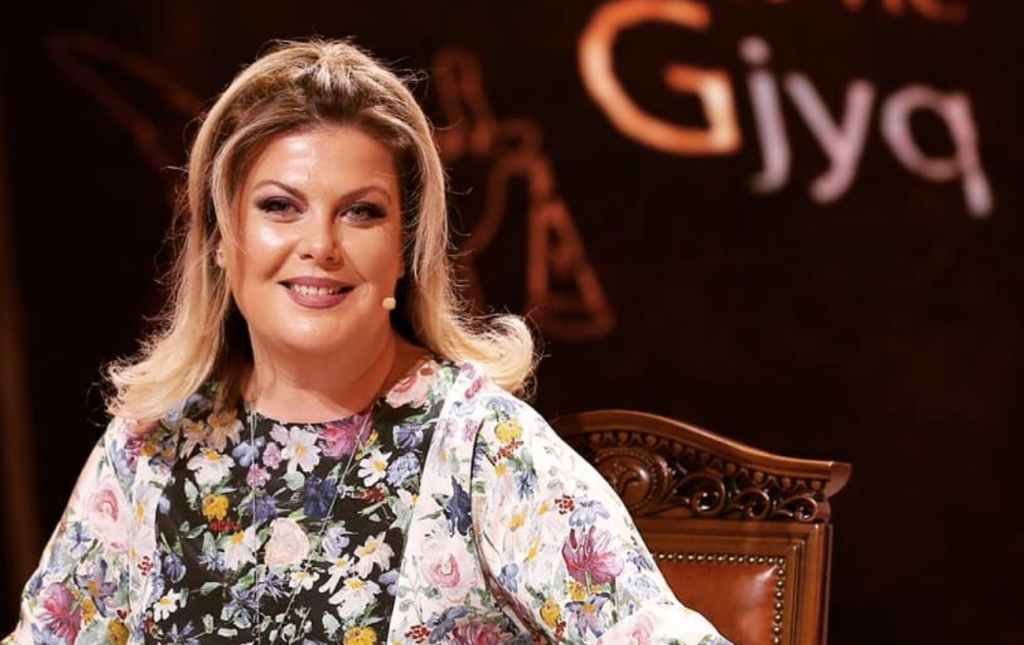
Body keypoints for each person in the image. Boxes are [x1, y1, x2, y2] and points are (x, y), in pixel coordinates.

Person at [4, 39, 732, 645]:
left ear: (406, 249)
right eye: (280, 206)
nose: (319, 245)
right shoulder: (149, 449)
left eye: (360, 213)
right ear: (221, 237)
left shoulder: (482, 445)